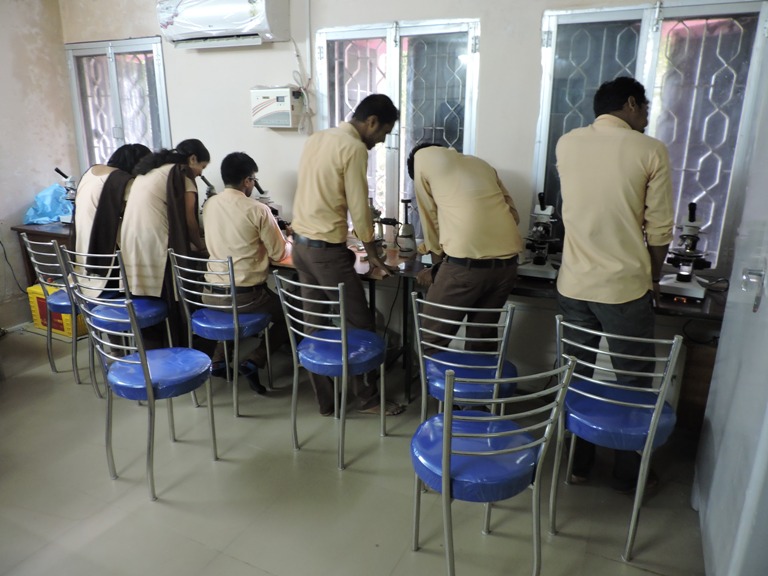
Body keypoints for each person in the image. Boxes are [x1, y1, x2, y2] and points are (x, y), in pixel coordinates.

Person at [555, 76, 674, 493]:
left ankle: (577, 462)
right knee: (633, 380)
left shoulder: (567, 143)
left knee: (575, 373)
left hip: (573, 284)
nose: (645, 118)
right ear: (629, 105)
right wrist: (655, 276)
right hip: (624, 288)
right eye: (643, 109)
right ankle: (626, 470)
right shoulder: (650, 149)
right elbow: (659, 230)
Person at [291, 94, 405, 417]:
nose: (381, 141)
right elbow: (359, 208)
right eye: (383, 133)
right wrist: (376, 255)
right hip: (327, 254)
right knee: (361, 324)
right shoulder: (353, 148)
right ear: (371, 122)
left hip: (300, 247)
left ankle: (326, 402)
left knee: (313, 324)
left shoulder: (318, 138)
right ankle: (367, 398)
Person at [407, 143, 523, 348]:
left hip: (465, 268)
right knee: (481, 339)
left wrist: (436, 268)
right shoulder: (481, 164)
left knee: (429, 341)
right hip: (507, 268)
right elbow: (513, 215)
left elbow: (430, 219)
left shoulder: (421, 159)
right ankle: (476, 380)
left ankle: (436, 381)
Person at [202, 152, 290, 394]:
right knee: (288, 313)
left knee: (228, 310)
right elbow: (279, 253)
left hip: (210, 295)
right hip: (245, 298)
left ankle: (219, 360)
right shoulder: (258, 209)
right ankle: (255, 359)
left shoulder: (210, 205)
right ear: (248, 181)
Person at [120, 138, 210, 345]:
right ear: (193, 159)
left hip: (132, 241)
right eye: (202, 167)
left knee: (147, 294)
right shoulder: (181, 173)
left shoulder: (152, 170)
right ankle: (179, 345)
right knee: (173, 293)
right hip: (155, 241)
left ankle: (155, 346)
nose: (201, 173)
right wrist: (202, 245)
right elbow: (189, 220)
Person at [73, 143, 151, 293]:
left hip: (82, 252)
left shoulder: (91, 171)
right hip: (103, 257)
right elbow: (138, 214)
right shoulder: (122, 180)